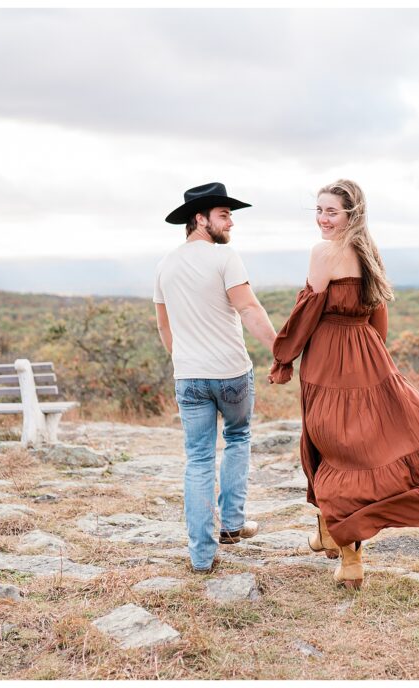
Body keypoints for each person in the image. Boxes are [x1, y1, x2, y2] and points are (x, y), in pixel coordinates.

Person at [268, 179, 419, 589]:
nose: (323, 219)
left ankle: (351, 557)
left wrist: (283, 356)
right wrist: (376, 359)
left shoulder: (323, 252)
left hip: (328, 360)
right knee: (360, 444)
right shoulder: (368, 250)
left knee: (334, 449)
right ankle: (329, 530)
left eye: (332, 212)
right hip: (368, 355)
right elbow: (378, 315)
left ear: (350, 215)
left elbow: (307, 313)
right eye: (319, 211)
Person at [155, 182, 278, 573]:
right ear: (200, 218)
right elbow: (249, 310)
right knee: (238, 437)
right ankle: (232, 524)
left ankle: (201, 557)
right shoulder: (226, 259)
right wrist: (282, 351)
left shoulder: (165, 265)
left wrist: (187, 361)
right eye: (224, 215)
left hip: (188, 377)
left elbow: (165, 328)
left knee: (198, 460)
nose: (230, 223)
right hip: (230, 372)